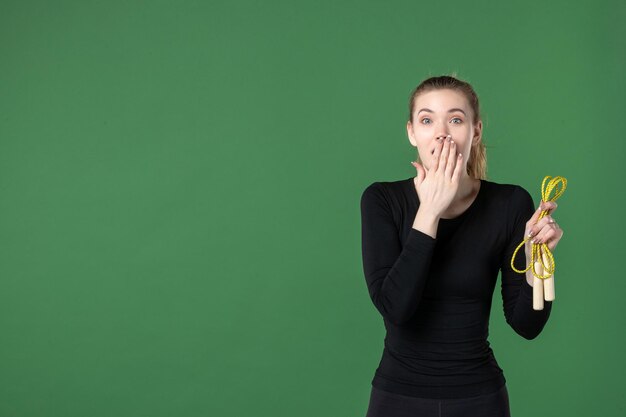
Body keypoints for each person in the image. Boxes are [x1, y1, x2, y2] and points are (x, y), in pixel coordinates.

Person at [360, 75, 564, 417]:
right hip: (398, 397)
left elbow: (527, 326)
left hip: (480, 398)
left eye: (455, 119)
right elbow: (395, 308)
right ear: (412, 132)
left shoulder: (510, 202)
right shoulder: (382, 200)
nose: (441, 132)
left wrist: (531, 263)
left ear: (476, 131)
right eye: (427, 120)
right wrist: (429, 212)